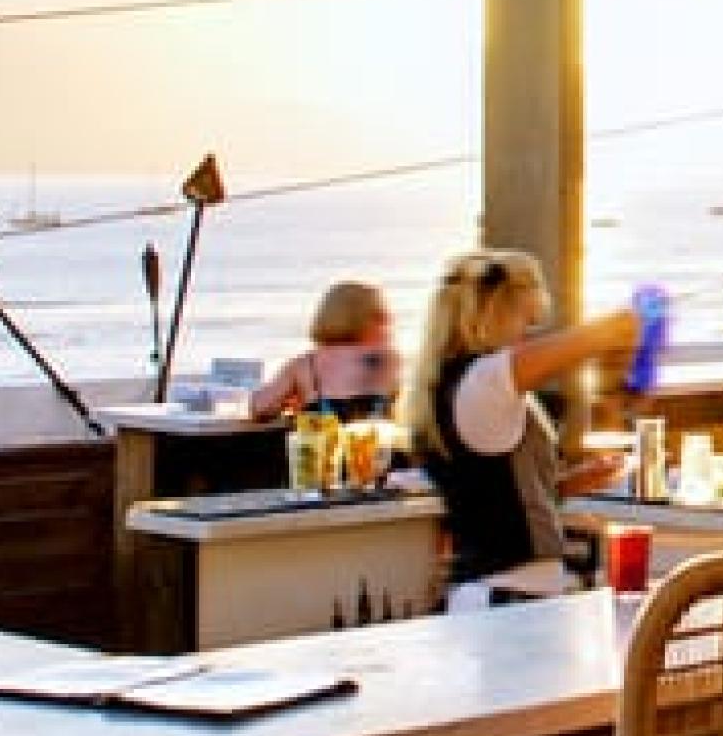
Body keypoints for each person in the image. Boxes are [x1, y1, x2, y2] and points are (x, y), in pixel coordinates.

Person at [397, 250, 640, 608]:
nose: (527, 335)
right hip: (506, 597)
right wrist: (627, 323)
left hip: (497, 592)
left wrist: (571, 483)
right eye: (524, 321)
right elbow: (580, 344)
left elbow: (492, 497)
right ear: (491, 316)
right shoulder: (484, 381)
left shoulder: (447, 386)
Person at [245, 279, 403, 422]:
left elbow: (260, 407)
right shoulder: (390, 360)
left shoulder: (305, 364)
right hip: (379, 452)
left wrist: (293, 397)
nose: (387, 321)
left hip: (323, 452)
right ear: (369, 319)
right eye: (381, 316)